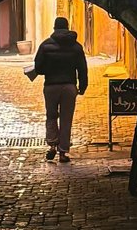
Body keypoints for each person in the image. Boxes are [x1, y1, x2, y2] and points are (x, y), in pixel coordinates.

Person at [26, 14, 89, 162]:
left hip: (51, 86)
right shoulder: (76, 46)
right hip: (69, 86)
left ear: (54, 28)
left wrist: (49, 68)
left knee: (51, 115)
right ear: (67, 28)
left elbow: (39, 68)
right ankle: (63, 152)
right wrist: (83, 86)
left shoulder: (46, 45)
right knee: (67, 119)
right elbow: (82, 69)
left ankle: (52, 145)